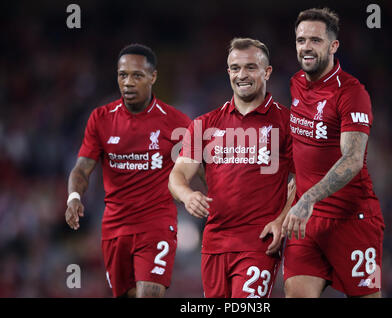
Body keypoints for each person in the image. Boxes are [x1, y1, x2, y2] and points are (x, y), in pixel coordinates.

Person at [168, 38, 295, 298]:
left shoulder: (287, 123)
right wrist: (187, 195)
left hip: (259, 243)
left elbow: (306, 178)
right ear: (228, 73)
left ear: (267, 72)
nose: (242, 75)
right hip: (214, 245)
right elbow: (177, 175)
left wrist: (281, 221)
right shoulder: (204, 125)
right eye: (235, 68)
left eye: (250, 67)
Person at [65, 43, 191, 298]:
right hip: (115, 227)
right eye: (123, 75)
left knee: (150, 293)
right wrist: (74, 198)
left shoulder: (176, 122)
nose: (128, 82)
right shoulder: (101, 118)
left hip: (157, 223)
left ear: (153, 77)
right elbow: (81, 168)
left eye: (137, 75)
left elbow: (203, 170)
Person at [281, 7, 385, 298]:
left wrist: (309, 197)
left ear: (333, 45)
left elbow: (352, 159)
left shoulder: (352, 94)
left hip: (352, 219)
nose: (306, 47)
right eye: (301, 40)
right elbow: (304, 150)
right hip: (307, 222)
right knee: (296, 293)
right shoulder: (296, 84)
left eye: (315, 40)